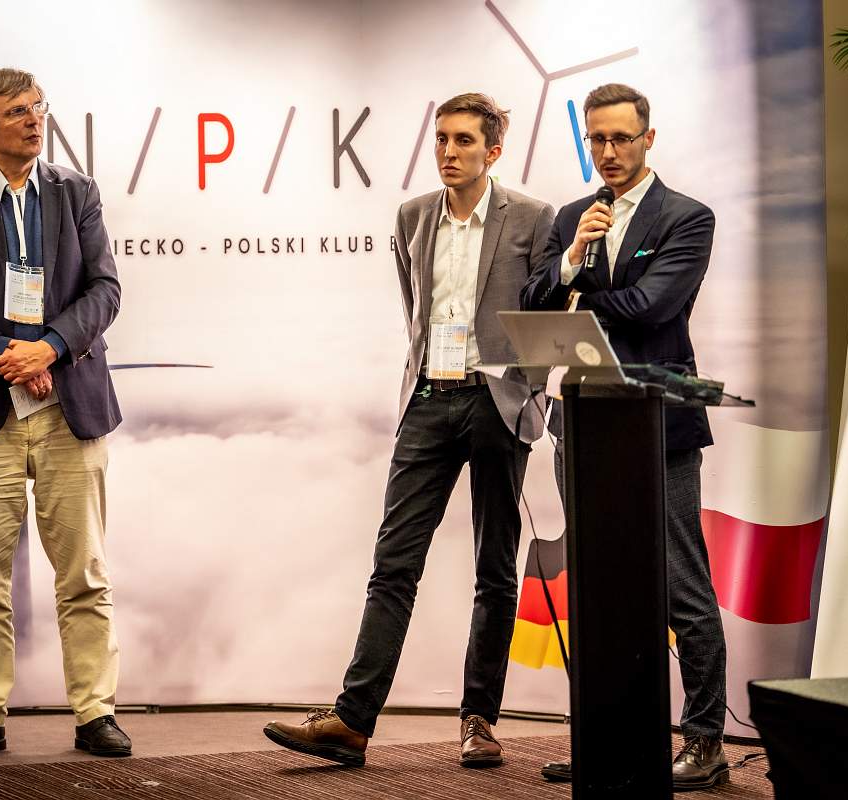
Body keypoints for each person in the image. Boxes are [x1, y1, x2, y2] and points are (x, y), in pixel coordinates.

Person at [263, 93, 554, 768]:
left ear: (493, 151)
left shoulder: (532, 218)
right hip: (427, 398)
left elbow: (545, 310)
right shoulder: (412, 215)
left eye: (463, 140)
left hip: (496, 401)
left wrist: (528, 395)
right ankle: (352, 722)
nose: (448, 151)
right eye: (441, 139)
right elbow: (415, 308)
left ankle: (479, 721)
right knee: (393, 564)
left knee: (493, 569)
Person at [521, 83, 728, 791]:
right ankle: (607, 738)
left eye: (620, 138)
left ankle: (705, 741)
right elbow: (533, 304)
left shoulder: (686, 217)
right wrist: (572, 260)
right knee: (598, 586)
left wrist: (575, 296)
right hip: (582, 425)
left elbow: (651, 306)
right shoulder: (573, 219)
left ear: (648, 138)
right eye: (597, 140)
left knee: (680, 585)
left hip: (659, 425)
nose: (608, 152)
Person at [0, 67, 128, 760]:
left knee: (84, 575)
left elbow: (104, 290)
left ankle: (96, 712)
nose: (35, 120)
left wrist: (51, 348)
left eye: (39, 107)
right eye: (17, 112)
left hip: (69, 407)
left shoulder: (76, 192)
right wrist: (5, 353)